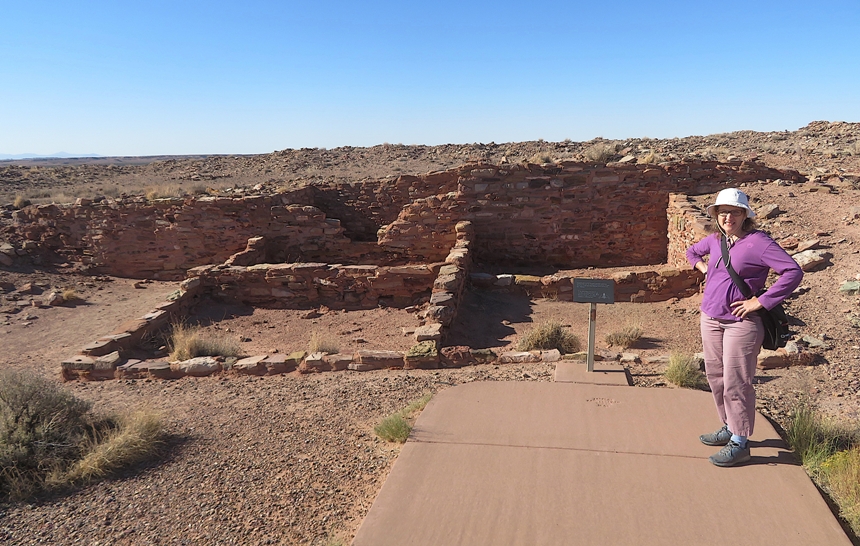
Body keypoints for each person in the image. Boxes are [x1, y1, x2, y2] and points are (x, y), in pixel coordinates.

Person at [686, 188, 803, 467]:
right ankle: (729, 426)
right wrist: (702, 267)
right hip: (710, 318)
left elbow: (793, 272)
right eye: (723, 212)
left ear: (745, 215)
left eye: (735, 212)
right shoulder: (717, 239)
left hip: (741, 322)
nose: (728, 217)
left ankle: (740, 443)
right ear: (716, 214)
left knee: (737, 381)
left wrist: (759, 302)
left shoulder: (758, 242)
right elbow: (692, 252)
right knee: (716, 376)